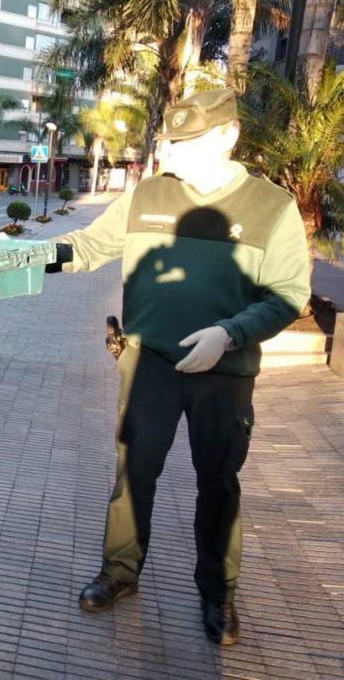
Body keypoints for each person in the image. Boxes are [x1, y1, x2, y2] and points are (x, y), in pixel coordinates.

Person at [46, 88, 309, 646]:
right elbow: (88, 247)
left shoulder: (272, 207)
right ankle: (120, 572)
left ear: (228, 137)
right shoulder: (146, 197)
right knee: (133, 474)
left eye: (187, 143)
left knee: (218, 483)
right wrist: (13, 257)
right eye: (170, 142)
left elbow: (288, 295)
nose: (173, 154)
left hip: (224, 372)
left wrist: (228, 333)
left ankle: (219, 595)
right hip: (148, 365)